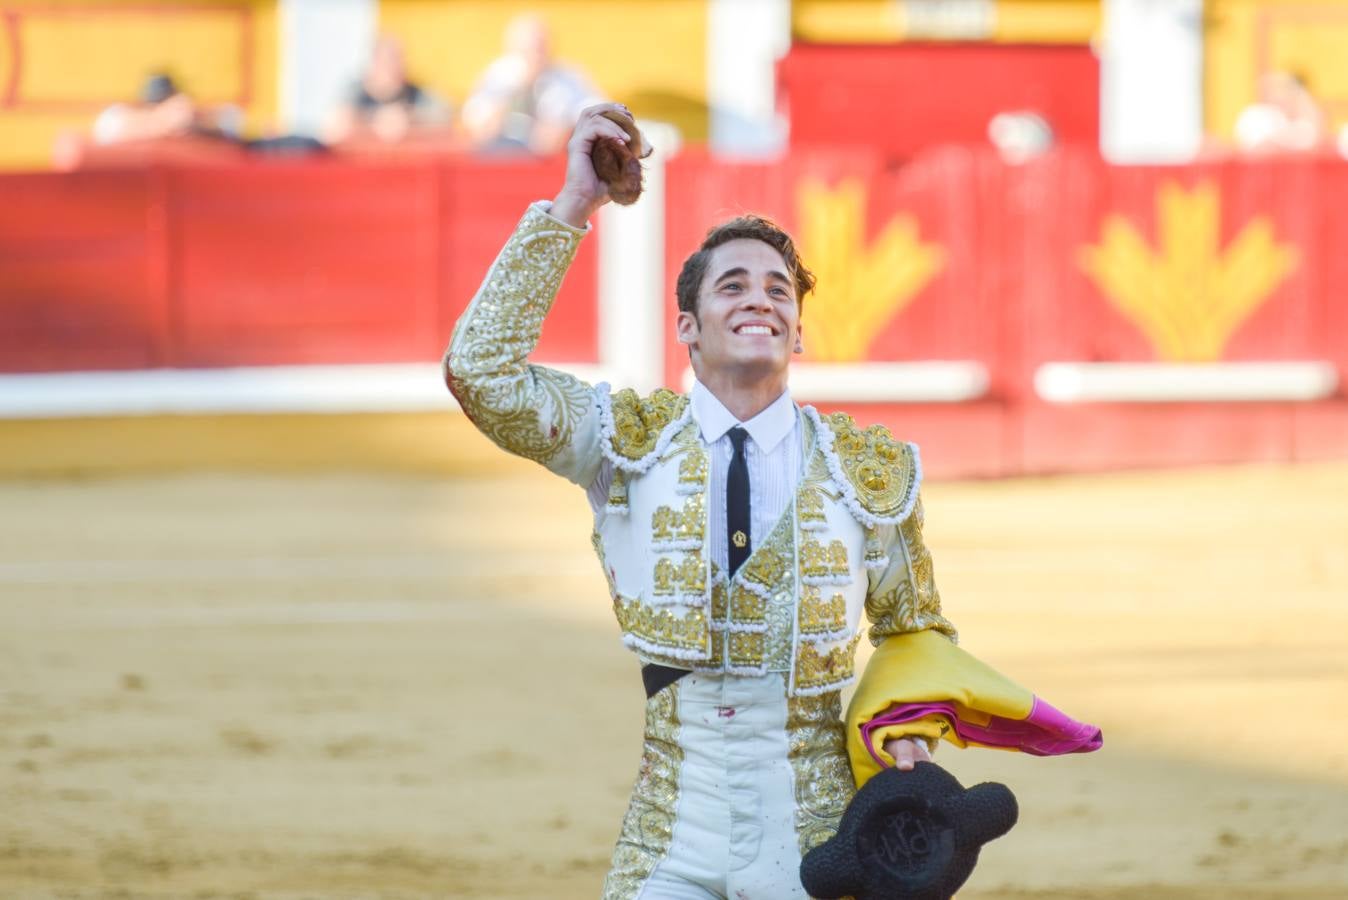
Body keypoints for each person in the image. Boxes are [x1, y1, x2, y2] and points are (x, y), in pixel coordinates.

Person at [444, 104, 1100, 899]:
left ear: (797, 334)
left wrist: (908, 742)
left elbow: (912, 631)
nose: (759, 298)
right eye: (733, 286)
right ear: (688, 325)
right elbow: (480, 372)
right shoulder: (624, 441)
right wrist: (574, 206)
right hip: (671, 824)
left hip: (817, 829)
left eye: (778, 289)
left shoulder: (871, 469)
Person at [460, 14, 601, 155]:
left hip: (555, 163)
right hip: (503, 159)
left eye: (540, 45)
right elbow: (474, 119)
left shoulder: (568, 76)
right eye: (528, 46)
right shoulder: (498, 76)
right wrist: (497, 116)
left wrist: (565, 128)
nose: (535, 53)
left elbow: (597, 110)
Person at [324, 36, 452, 146]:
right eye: (386, 60)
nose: (392, 66)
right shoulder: (355, 91)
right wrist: (375, 120)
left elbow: (446, 115)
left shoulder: (415, 93)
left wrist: (410, 119)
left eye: (397, 59)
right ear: (374, 63)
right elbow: (334, 128)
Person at [91, 72, 242, 146]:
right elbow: (106, 127)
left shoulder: (197, 126)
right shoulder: (116, 121)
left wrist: (199, 122)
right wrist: (160, 120)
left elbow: (232, 120)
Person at [1234, 70, 1329, 154]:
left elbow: (1314, 142)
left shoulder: (1306, 113)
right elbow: (1252, 146)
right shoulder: (1255, 115)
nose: (1280, 95)